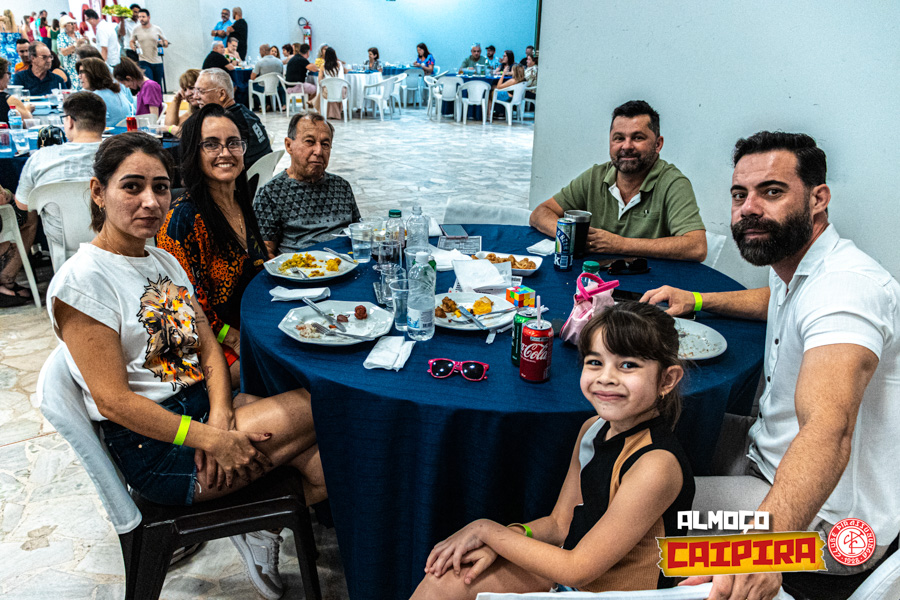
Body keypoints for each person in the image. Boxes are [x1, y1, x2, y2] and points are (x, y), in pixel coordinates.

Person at [47, 131, 325, 600]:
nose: (150, 201)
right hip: (156, 446)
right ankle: (254, 522)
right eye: (132, 186)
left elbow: (208, 347)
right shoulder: (84, 282)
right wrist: (209, 439)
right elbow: (113, 402)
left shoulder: (161, 260)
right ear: (98, 192)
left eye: (160, 187)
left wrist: (220, 415)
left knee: (328, 466)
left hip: (196, 411)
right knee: (323, 403)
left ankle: (262, 528)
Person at [642, 132, 900, 600]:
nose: (749, 208)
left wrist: (764, 551)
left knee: (639, 518)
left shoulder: (845, 291)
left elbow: (828, 429)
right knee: (639, 440)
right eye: (739, 195)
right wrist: (698, 299)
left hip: (831, 528)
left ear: (818, 199)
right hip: (768, 454)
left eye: (772, 191)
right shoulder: (798, 265)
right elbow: (777, 299)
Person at [412, 302, 694, 598]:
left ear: (667, 380)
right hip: (574, 576)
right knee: (444, 580)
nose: (606, 377)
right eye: (595, 362)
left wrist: (487, 531)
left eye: (628, 365)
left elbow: (577, 569)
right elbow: (560, 524)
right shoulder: (593, 428)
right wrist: (507, 538)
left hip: (613, 592)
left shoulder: (656, 465)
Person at [157, 103, 267, 389]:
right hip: (206, 346)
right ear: (194, 152)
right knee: (288, 370)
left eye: (233, 143)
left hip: (250, 326)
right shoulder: (182, 219)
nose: (225, 153)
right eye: (211, 144)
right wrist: (236, 339)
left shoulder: (240, 200)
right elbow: (184, 307)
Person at [529, 100, 707, 262]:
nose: (626, 146)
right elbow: (540, 213)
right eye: (619, 138)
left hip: (652, 282)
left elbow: (697, 247)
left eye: (638, 137)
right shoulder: (595, 176)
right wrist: (573, 237)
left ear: (658, 144)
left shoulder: (673, 183)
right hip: (594, 278)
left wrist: (620, 244)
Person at [253, 113, 360, 255]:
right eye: (310, 141)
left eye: (325, 144)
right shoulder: (271, 193)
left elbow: (359, 231)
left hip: (347, 263)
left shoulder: (342, 187)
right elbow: (264, 251)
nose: (319, 151)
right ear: (289, 145)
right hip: (299, 266)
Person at [14, 91, 103, 261]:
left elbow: (23, 205)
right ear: (103, 122)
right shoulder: (124, 155)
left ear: (69, 122)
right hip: (118, 237)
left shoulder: (40, 159)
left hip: (65, 245)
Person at [193, 67, 271, 168]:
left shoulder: (225, 123)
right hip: (263, 170)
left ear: (222, 94)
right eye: (195, 90)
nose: (195, 97)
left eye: (201, 91)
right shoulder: (245, 112)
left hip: (244, 175)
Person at [77, 57, 134, 127]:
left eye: (83, 72)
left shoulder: (96, 97)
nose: (79, 76)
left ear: (94, 74)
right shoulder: (115, 91)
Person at [128, 7, 168, 88]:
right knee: (149, 83)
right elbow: (131, 41)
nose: (141, 19)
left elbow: (166, 43)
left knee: (157, 85)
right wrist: (133, 46)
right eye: (139, 17)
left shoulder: (157, 29)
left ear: (148, 17)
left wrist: (162, 43)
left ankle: (159, 96)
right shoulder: (136, 30)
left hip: (157, 61)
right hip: (144, 60)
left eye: (143, 17)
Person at [314, 47, 346, 119]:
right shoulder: (339, 65)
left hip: (328, 91)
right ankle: (336, 113)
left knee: (323, 91)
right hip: (340, 91)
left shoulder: (323, 66)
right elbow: (342, 78)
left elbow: (319, 80)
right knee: (338, 90)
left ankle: (324, 111)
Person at [0, 57, 34, 122]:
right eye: (8, 73)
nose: (9, 77)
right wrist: (28, 110)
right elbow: (29, 122)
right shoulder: (9, 100)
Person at [56, 15, 85, 88]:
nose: (73, 25)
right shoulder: (61, 36)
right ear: (65, 25)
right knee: (74, 87)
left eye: (74, 23)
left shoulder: (78, 34)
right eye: (71, 23)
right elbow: (64, 52)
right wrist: (75, 45)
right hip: (71, 68)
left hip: (81, 65)